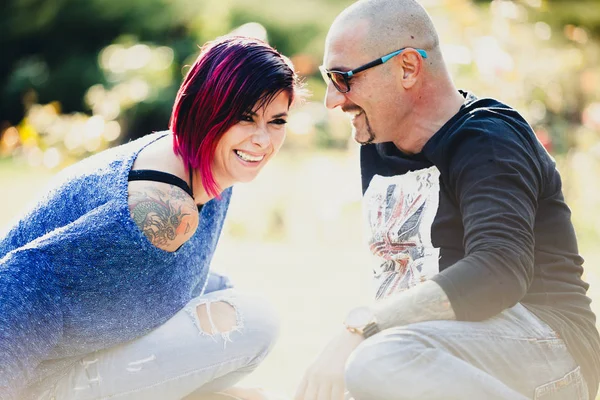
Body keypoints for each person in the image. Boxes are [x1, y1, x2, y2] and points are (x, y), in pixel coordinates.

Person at [295, 1, 600, 399]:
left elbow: (499, 270)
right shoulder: (379, 142)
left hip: (552, 347)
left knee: (378, 359)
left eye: (343, 78)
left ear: (407, 67)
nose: (332, 100)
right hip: (438, 346)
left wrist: (363, 327)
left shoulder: (488, 140)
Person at [0, 36, 303, 400]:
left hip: (75, 360)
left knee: (228, 294)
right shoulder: (160, 213)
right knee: (255, 323)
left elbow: (171, 281)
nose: (262, 140)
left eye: (277, 121)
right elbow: (19, 280)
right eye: (244, 117)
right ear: (207, 110)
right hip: (39, 383)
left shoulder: (205, 164)